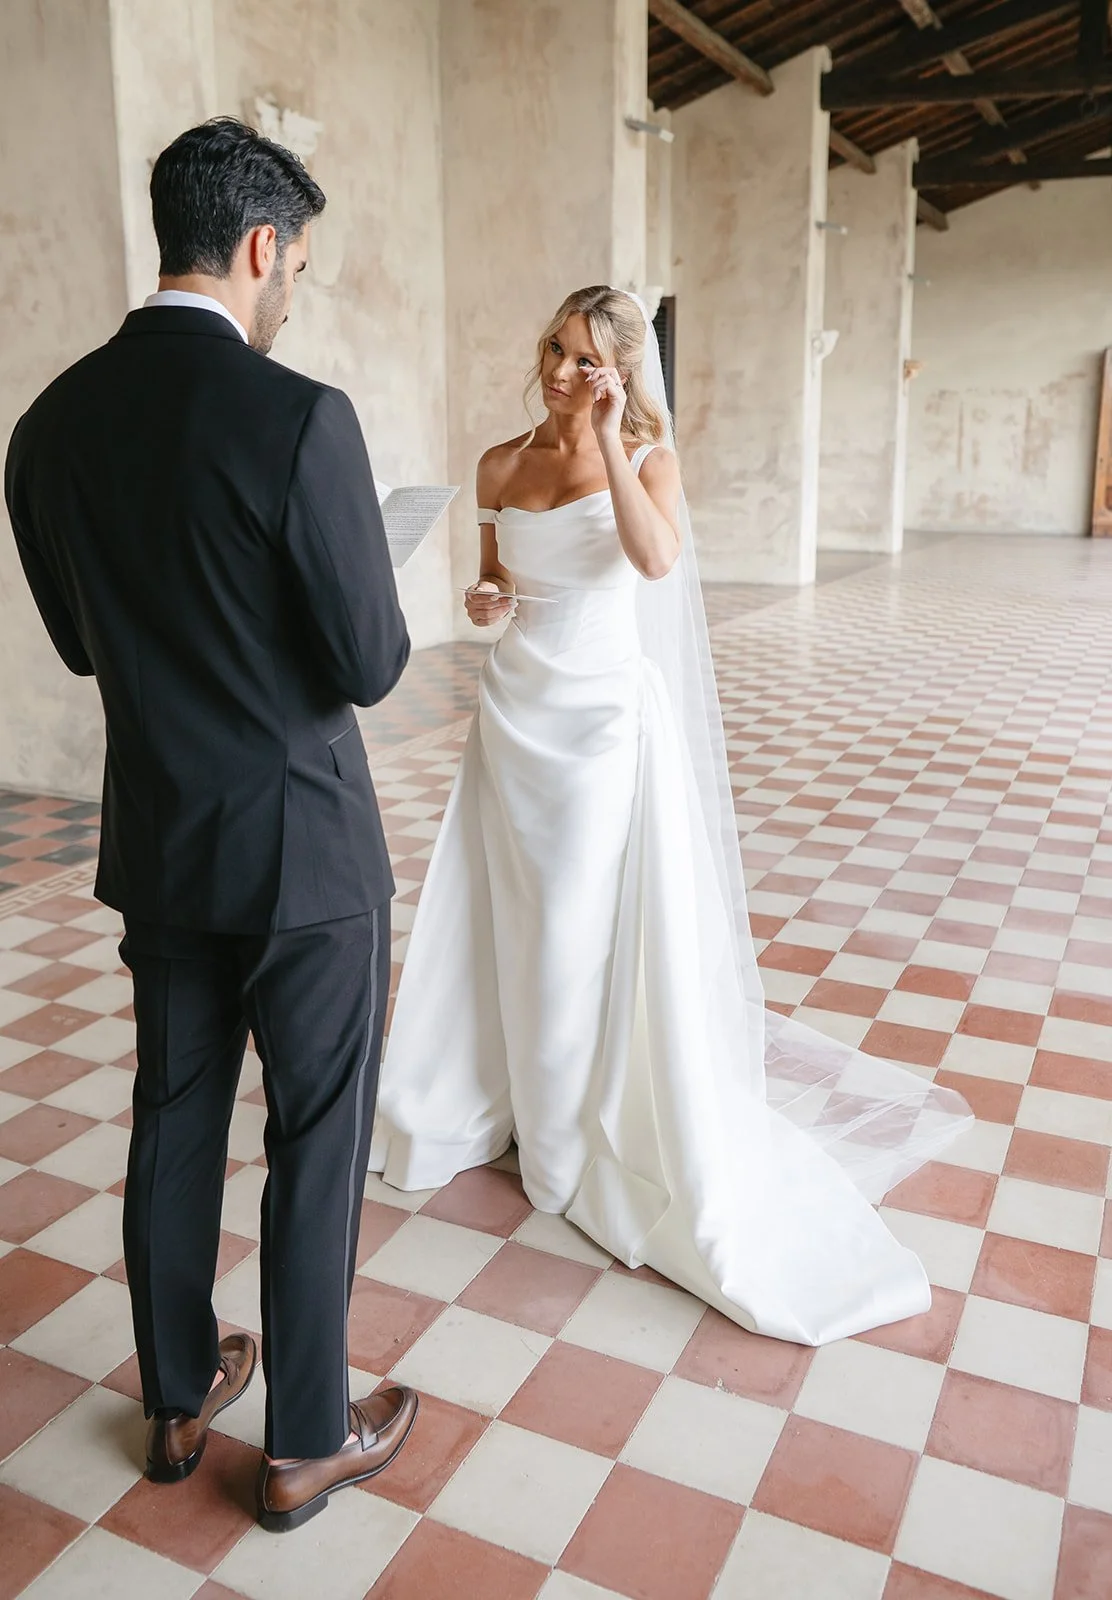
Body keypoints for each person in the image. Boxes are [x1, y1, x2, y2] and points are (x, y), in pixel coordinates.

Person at [371, 285, 973, 1346]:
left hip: (601, 726)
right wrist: (485, 603)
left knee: (572, 927)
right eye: (554, 349)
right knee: (505, 917)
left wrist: (607, 441)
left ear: (620, 373)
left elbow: (654, 562)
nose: (560, 373)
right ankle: (507, 1094)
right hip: (511, 717)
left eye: (585, 360)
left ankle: (564, 1145)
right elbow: (494, 583)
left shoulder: (646, 460)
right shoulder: (498, 463)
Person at [4, 117, 418, 1532]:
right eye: (293, 260)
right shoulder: (301, 417)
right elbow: (369, 663)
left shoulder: (46, 426)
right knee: (317, 1134)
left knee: (174, 1117)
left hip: (164, 844)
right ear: (258, 246)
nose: (292, 286)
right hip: (306, 851)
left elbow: (75, 642)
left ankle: (178, 1393)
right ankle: (307, 1435)